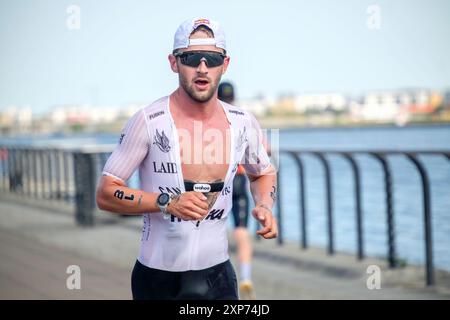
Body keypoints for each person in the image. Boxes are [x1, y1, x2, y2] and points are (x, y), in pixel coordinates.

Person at [96, 17, 277, 300]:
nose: (203, 67)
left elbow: (263, 172)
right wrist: (166, 202)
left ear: (225, 65)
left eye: (213, 59)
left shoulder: (242, 123)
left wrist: (265, 204)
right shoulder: (149, 121)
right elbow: (106, 193)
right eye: (192, 58)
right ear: (173, 62)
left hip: (217, 277)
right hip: (158, 278)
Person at [218, 81, 255, 300]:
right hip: (240, 180)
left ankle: (219, 276)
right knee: (242, 232)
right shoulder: (244, 119)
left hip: (220, 181)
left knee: (215, 229)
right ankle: (246, 278)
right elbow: (263, 150)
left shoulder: (210, 120)